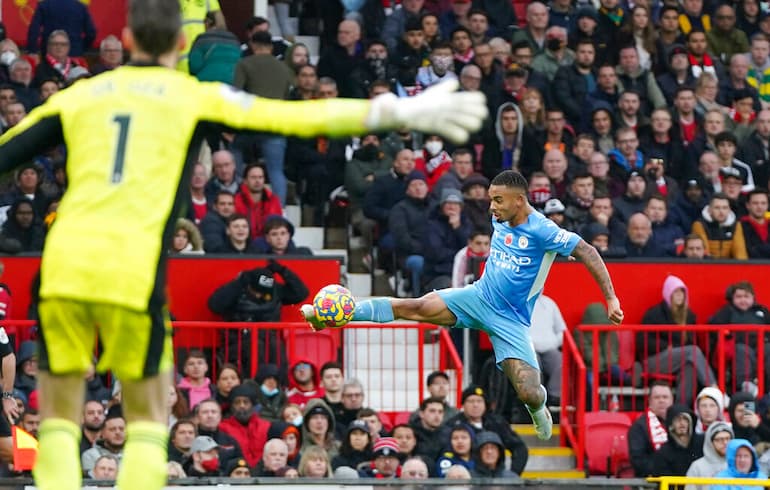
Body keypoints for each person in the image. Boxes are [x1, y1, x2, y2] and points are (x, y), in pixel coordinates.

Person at [0, 4, 486, 490]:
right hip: (130, 270)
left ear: (125, 38)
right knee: (148, 420)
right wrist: (395, 110)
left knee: (61, 416)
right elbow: (291, 117)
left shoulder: (81, 95)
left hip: (64, 263)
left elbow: (7, 152)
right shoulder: (190, 96)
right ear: (179, 45)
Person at [304, 169, 623, 441]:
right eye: (490, 199)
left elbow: (588, 252)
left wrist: (609, 297)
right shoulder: (501, 217)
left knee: (528, 391)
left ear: (519, 200)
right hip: (478, 297)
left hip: (511, 321)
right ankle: (343, 313)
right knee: (417, 306)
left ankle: (538, 408)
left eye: (498, 200)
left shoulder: (543, 230)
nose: (492, 207)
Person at [629, 381, 675, 477]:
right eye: (657, 397)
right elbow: (638, 460)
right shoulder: (639, 427)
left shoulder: (680, 422)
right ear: (649, 401)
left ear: (672, 401)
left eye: (665, 397)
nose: (661, 400)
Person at [686, 421, 734, 489]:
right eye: (720, 439)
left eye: (728, 438)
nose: (725, 443)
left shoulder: (738, 464)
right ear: (710, 442)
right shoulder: (697, 467)